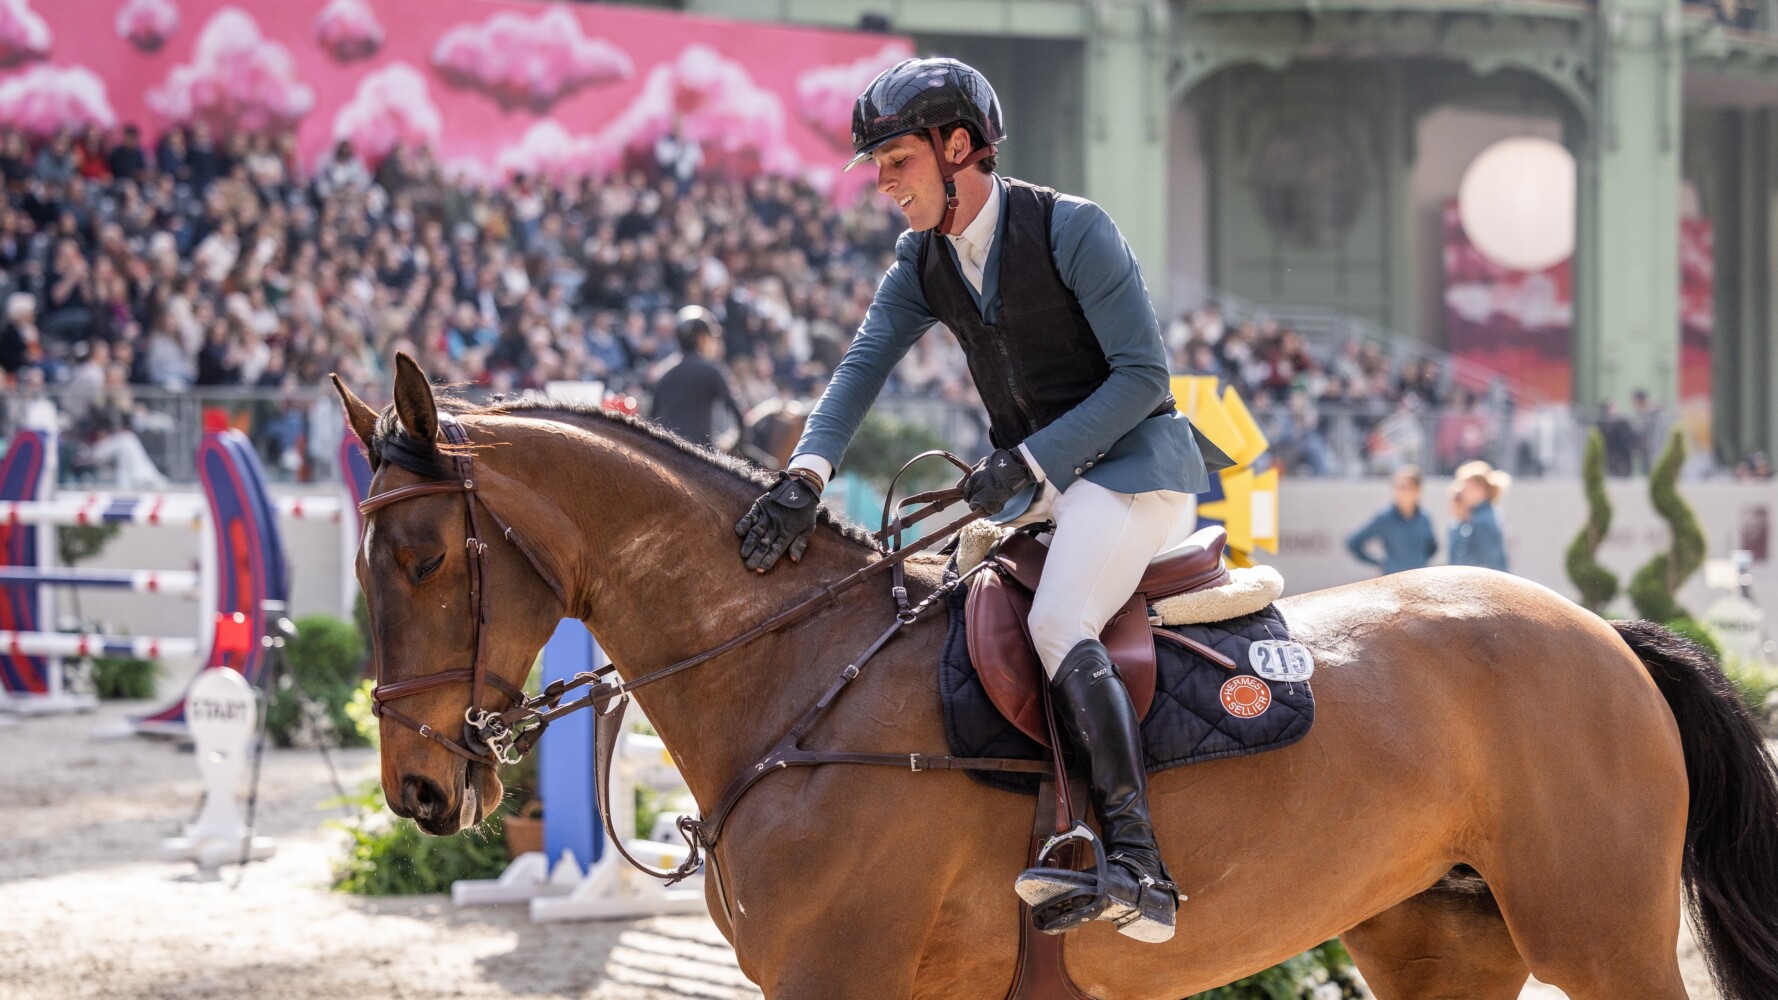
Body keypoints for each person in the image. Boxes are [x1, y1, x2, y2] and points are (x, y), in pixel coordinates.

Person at [731, 58, 1228, 944]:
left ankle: (1140, 864)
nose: (883, 185)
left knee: (1056, 624)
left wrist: (1032, 459)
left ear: (957, 147)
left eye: (896, 163)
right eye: (878, 169)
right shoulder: (922, 261)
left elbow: (1144, 377)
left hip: (1132, 473)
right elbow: (861, 365)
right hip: (1044, 490)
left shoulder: (1074, 229)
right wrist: (804, 474)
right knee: (945, 615)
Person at [649, 305, 745, 448]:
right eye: (712, 337)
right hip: (699, 461)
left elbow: (651, 421)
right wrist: (735, 445)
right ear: (701, 339)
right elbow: (739, 415)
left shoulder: (663, 373)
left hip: (666, 457)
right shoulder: (711, 371)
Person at [1346, 465, 1437, 575]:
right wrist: (1378, 563)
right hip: (1394, 582)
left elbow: (1432, 547)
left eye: (1405, 487)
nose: (1399, 492)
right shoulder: (1385, 518)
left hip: (1420, 580)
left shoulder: (1424, 517)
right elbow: (1353, 543)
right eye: (1397, 487)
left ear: (1417, 489)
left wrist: (1420, 561)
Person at [1448, 459, 1510, 572]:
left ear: (1480, 488)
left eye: (1467, 488)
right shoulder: (1481, 515)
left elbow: (1485, 564)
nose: (1463, 493)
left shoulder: (1482, 521)